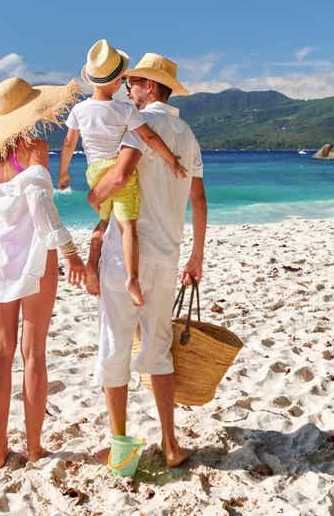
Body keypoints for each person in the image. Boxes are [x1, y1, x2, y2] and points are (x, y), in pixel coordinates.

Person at [0, 76, 94, 467]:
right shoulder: (35, 148)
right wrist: (71, 254)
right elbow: (41, 206)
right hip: (36, 261)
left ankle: (0, 447)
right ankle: (36, 447)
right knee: (34, 351)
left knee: (0, 350)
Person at [88, 52, 206, 469]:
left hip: (127, 260)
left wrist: (94, 196)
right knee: (159, 348)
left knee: (115, 345)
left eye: (133, 83)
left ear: (150, 87)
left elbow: (119, 177)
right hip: (167, 257)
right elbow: (198, 199)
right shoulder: (187, 134)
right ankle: (171, 446)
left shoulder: (139, 125)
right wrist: (197, 255)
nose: (127, 89)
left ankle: (122, 452)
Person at [59, 39, 187, 307]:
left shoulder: (79, 110)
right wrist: (171, 160)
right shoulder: (124, 109)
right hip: (116, 170)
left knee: (103, 222)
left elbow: (69, 144)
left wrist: (63, 174)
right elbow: (149, 137)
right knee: (128, 227)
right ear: (117, 82)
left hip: (93, 172)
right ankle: (132, 278)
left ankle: (92, 263)